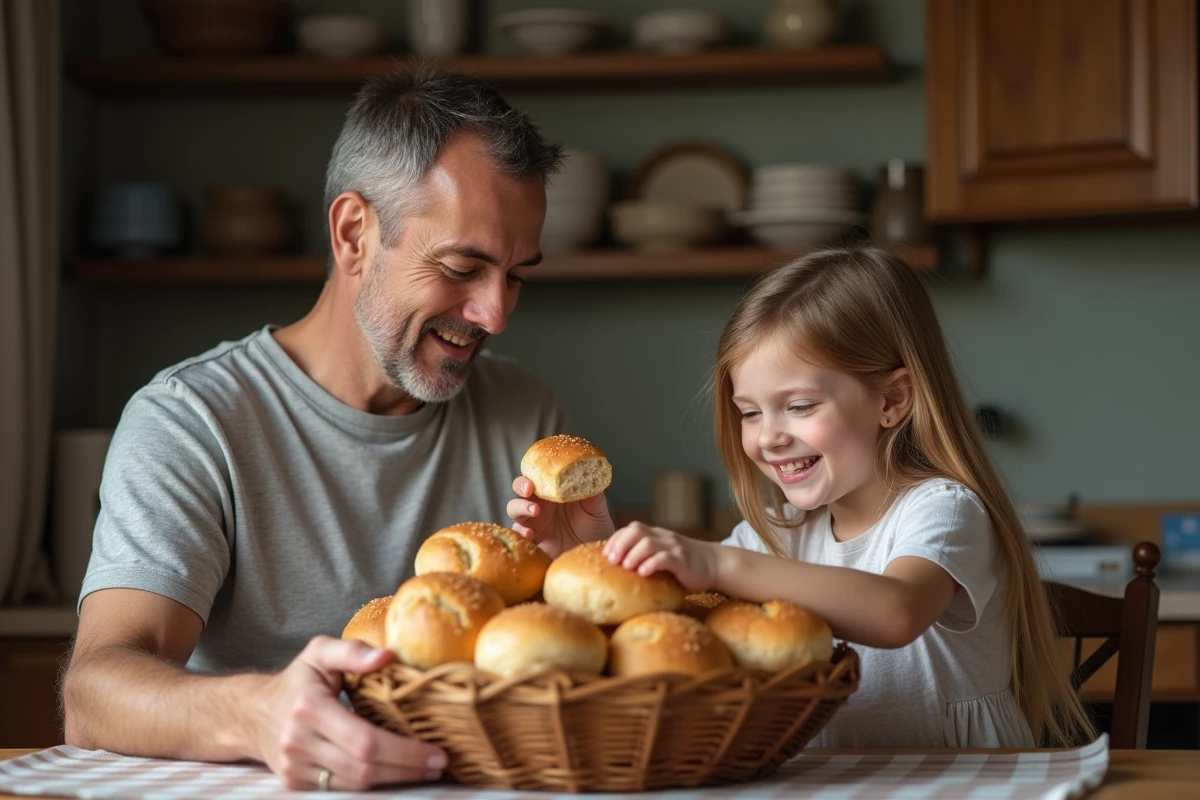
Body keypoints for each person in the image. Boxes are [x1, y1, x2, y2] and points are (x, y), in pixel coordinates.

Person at [62, 69, 613, 791]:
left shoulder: (527, 414)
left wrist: (585, 579)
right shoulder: (192, 421)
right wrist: (257, 714)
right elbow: (93, 695)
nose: (496, 313)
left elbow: (583, 683)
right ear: (354, 234)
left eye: (515, 276)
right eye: (462, 267)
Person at [602, 247, 1096, 749]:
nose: (768, 437)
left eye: (799, 406)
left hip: (966, 777)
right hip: (838, 780)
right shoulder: (777, 534)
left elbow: (896, 612)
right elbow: (669, 618)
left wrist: (715, 562)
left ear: (892, 399)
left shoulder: (943, 509)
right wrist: (598, 544)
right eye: (749, 412)